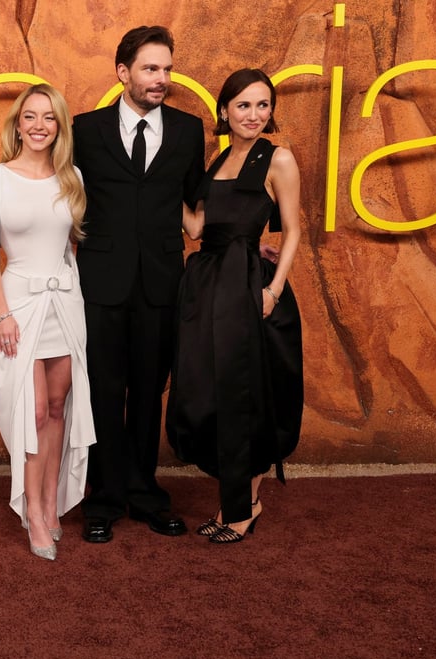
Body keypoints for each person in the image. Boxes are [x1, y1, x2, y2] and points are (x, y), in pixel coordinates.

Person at [72, 26, 205, 543]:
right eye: (151, 69)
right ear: (123, 72)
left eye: (167, 69)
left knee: (150, 391)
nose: (162, 79)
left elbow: (199, 204)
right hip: (100, 282)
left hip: (161, 283)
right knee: (104, 391)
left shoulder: (190, 131)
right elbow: (58, 194)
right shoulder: (85, 130)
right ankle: (103, 499)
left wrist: (244, 241)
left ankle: (146, 493)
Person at [166, 68, 304, 543]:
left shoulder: (278, 158)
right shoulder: (220, 158)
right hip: (208, 286)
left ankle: (243, 508)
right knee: (214, 388)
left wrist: (273, 291)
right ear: (224, 110)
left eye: (263, 105)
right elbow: (198, 229)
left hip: (248, 288)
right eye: (244, 105)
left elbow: (293, 231)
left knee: (247, 393)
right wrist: (161, 183)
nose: (254, 114)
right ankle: (235, 503)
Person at [0, 83, 96, 561]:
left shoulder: (72, 177)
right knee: (35, 411)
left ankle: (50, 503)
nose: (40, 125)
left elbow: (70, 250)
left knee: (60, 406)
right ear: (18, 124)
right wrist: (0, 312)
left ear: (60, 125)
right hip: (19, 308)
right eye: (31, 116)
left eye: (49, 117)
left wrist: (75, 299)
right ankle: (33, 512)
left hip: (65, 303)